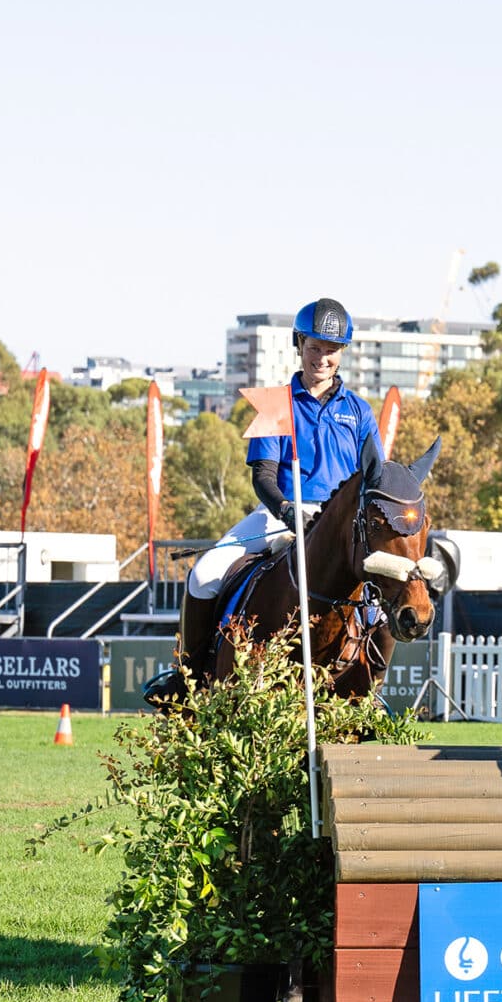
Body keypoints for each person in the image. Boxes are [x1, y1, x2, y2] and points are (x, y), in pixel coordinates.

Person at [146, 298, 380, 705]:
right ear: (298, 344)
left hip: (342, 525)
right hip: (283, 513)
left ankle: (369, 685)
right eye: (314, 347)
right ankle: (189, 677)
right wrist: (289, 512)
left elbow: (374, 477)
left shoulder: (359, 411)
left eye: (331, 350)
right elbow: (264, 477)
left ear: (341, 353)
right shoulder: (276, 403)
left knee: (386, 597)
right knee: (203, 575)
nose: (322, 358)